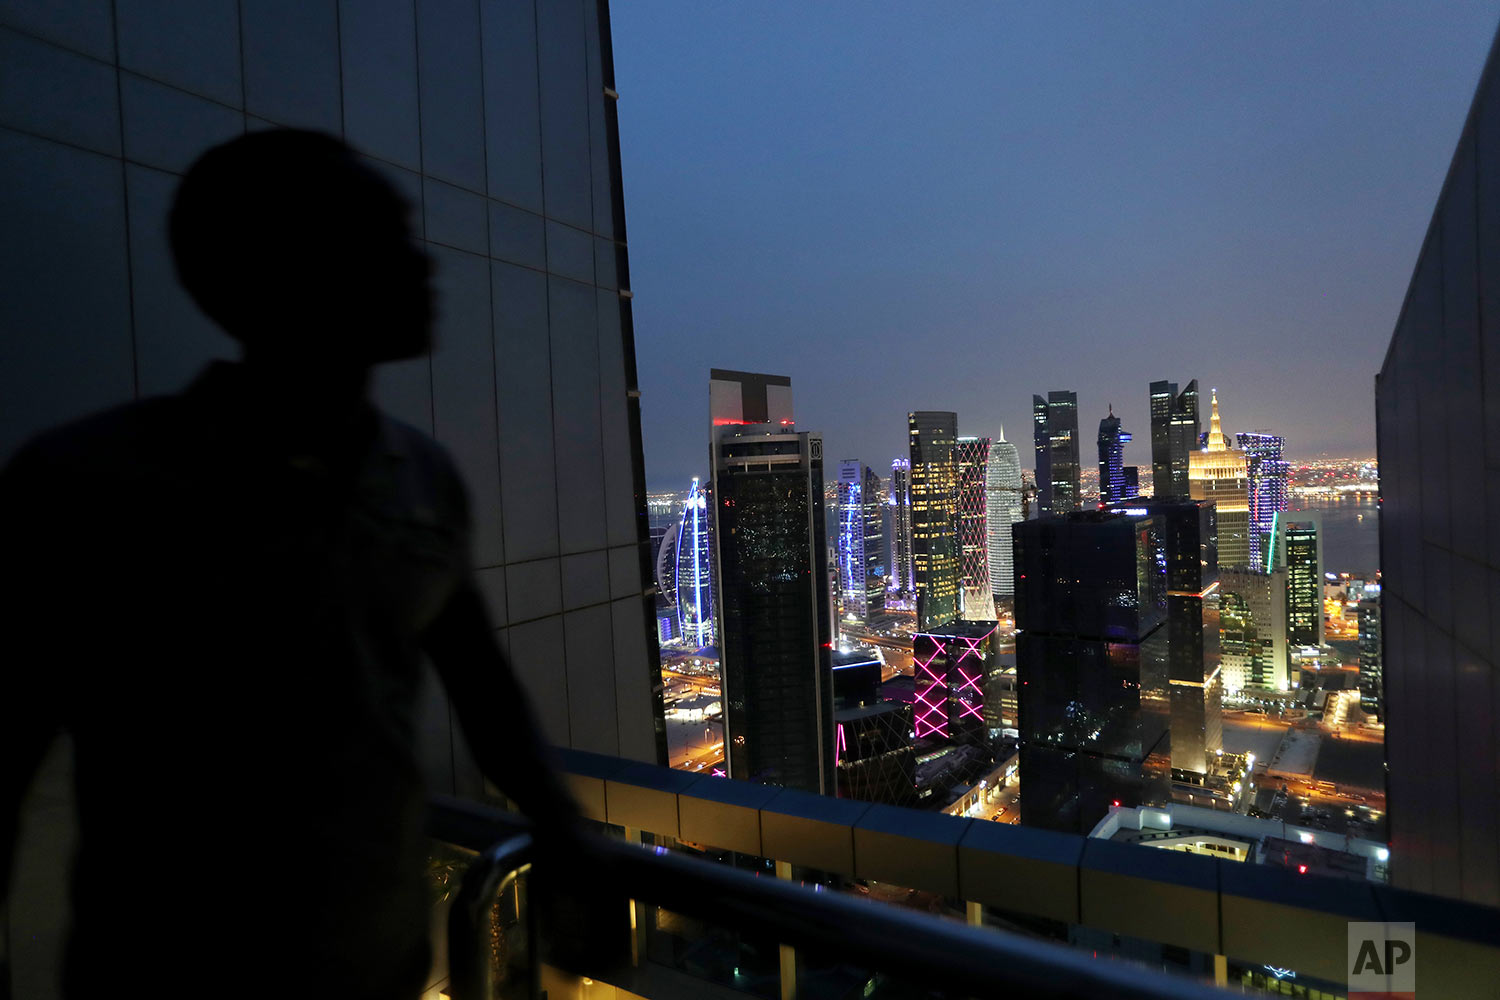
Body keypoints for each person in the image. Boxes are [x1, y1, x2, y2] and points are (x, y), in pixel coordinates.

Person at [0, 129, 585, 999]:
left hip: (380, 973)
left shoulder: (420, 480)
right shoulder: (93, 486)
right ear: (281, 267)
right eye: (381, 237)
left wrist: (565, 833)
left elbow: (486, 695)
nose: (423, 265)